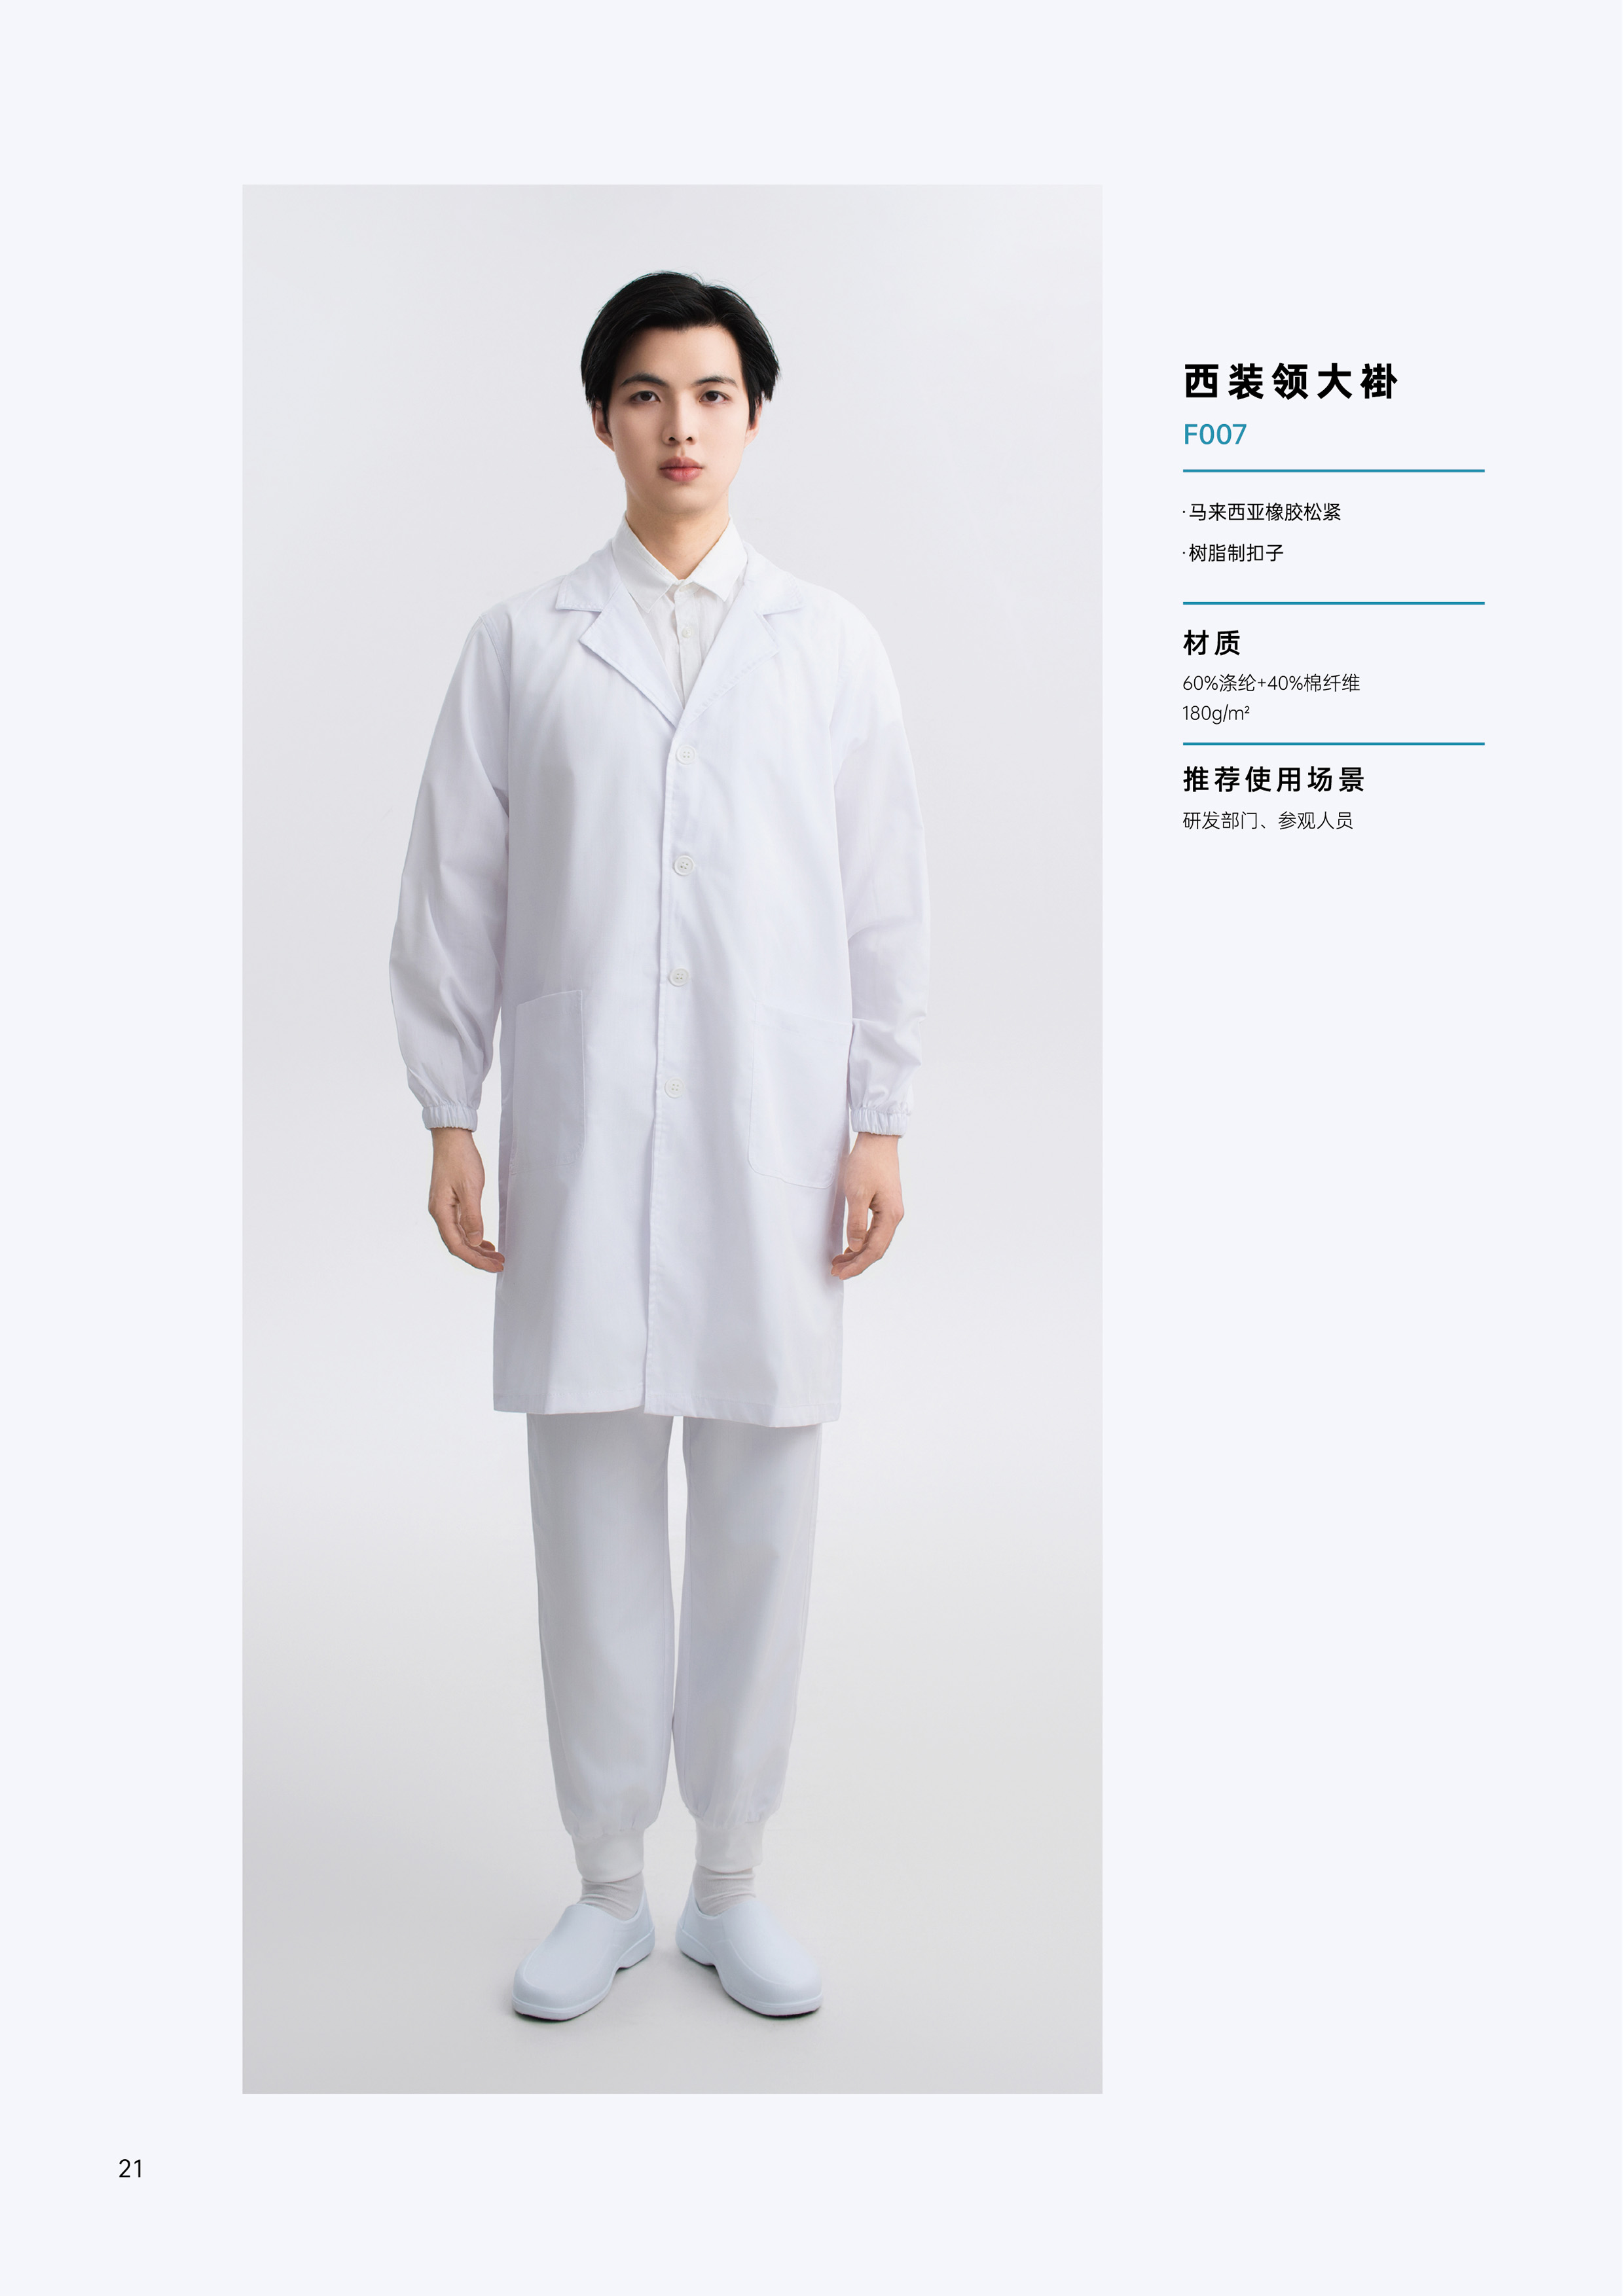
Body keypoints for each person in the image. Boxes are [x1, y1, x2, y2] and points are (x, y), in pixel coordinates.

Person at [390, 272, 929, 2022]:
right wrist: (451, 1108)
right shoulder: (521, 645)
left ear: (754, 417)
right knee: (593, 1520)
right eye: (644, 394)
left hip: (776, 1142)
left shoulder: (830, 647)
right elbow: (453, 891)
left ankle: (732, 1883)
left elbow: (883, 901)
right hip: (583, 1133)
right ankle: (610, 1887)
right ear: (602, 420)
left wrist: (880, 1117)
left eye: (709, 394)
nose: (679, 426)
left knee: (763, 1515)